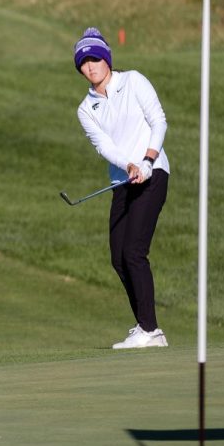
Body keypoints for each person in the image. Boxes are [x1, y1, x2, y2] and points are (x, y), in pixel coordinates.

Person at [73, 27, 171, 350]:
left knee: (134, 251)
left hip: (153, 174)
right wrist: (129, 165)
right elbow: (104, 145)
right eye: (84, 62)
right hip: (122, 181)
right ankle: (145, 326)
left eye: (95, 58)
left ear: (106, 58)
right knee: (118, 257)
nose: (90, 66)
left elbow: (159, 120)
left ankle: (150, 329)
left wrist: (146, 160)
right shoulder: (86, 109)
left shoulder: (133, 81)